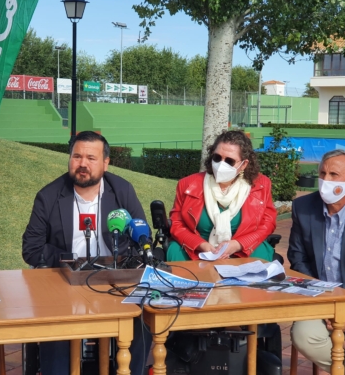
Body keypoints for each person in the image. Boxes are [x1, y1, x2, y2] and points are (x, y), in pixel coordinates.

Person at [22, 130, 150, 375]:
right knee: (57, 327)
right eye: (77, 156)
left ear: (105, 162)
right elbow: (31, 248)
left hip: (114, 281)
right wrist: (73, 263)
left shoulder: (122, 191)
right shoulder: (49, 196)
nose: (82, 164)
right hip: (65, 282)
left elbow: (141, 237)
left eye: (91, 158)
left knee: (140, 321)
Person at [288, 149, 345, 374]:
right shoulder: (304, 208)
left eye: (333, 174)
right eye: (322, 173)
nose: (325, 181)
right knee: (304, 336)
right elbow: (297, 257)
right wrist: (319, 298)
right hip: (320, 298)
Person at [168, 130, 277, 262]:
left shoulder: (262, 185)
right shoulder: (187, 184)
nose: (221, 164)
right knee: (176, 256)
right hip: (196, 248)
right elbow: (176, 224)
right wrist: (201, 245)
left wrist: (238, 245)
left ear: (244, 164)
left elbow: (267, 224)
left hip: (244, 248)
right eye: (217, 158)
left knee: (257, 269)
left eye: (229, 161)